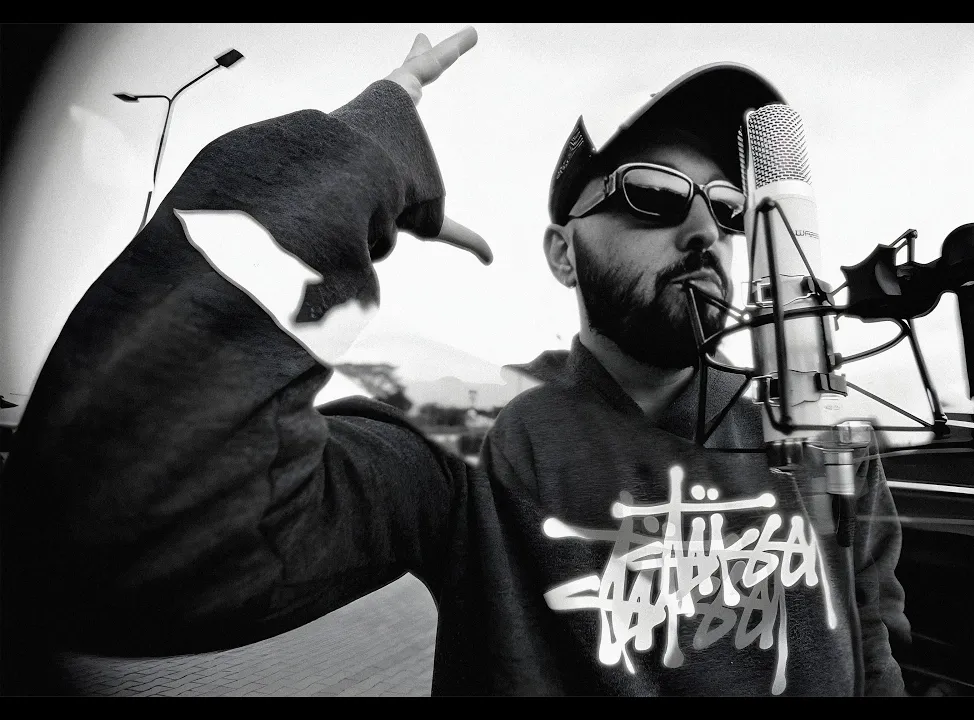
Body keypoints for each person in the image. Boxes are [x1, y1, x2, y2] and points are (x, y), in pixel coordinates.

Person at [0, 27, 908, 696]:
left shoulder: (820, 427)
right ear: (562, 254)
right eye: (652, 193)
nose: (705, 227)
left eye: (728, 206)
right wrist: (344, 164)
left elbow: (873, 637)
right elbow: (108, 544)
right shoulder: (474, 418)